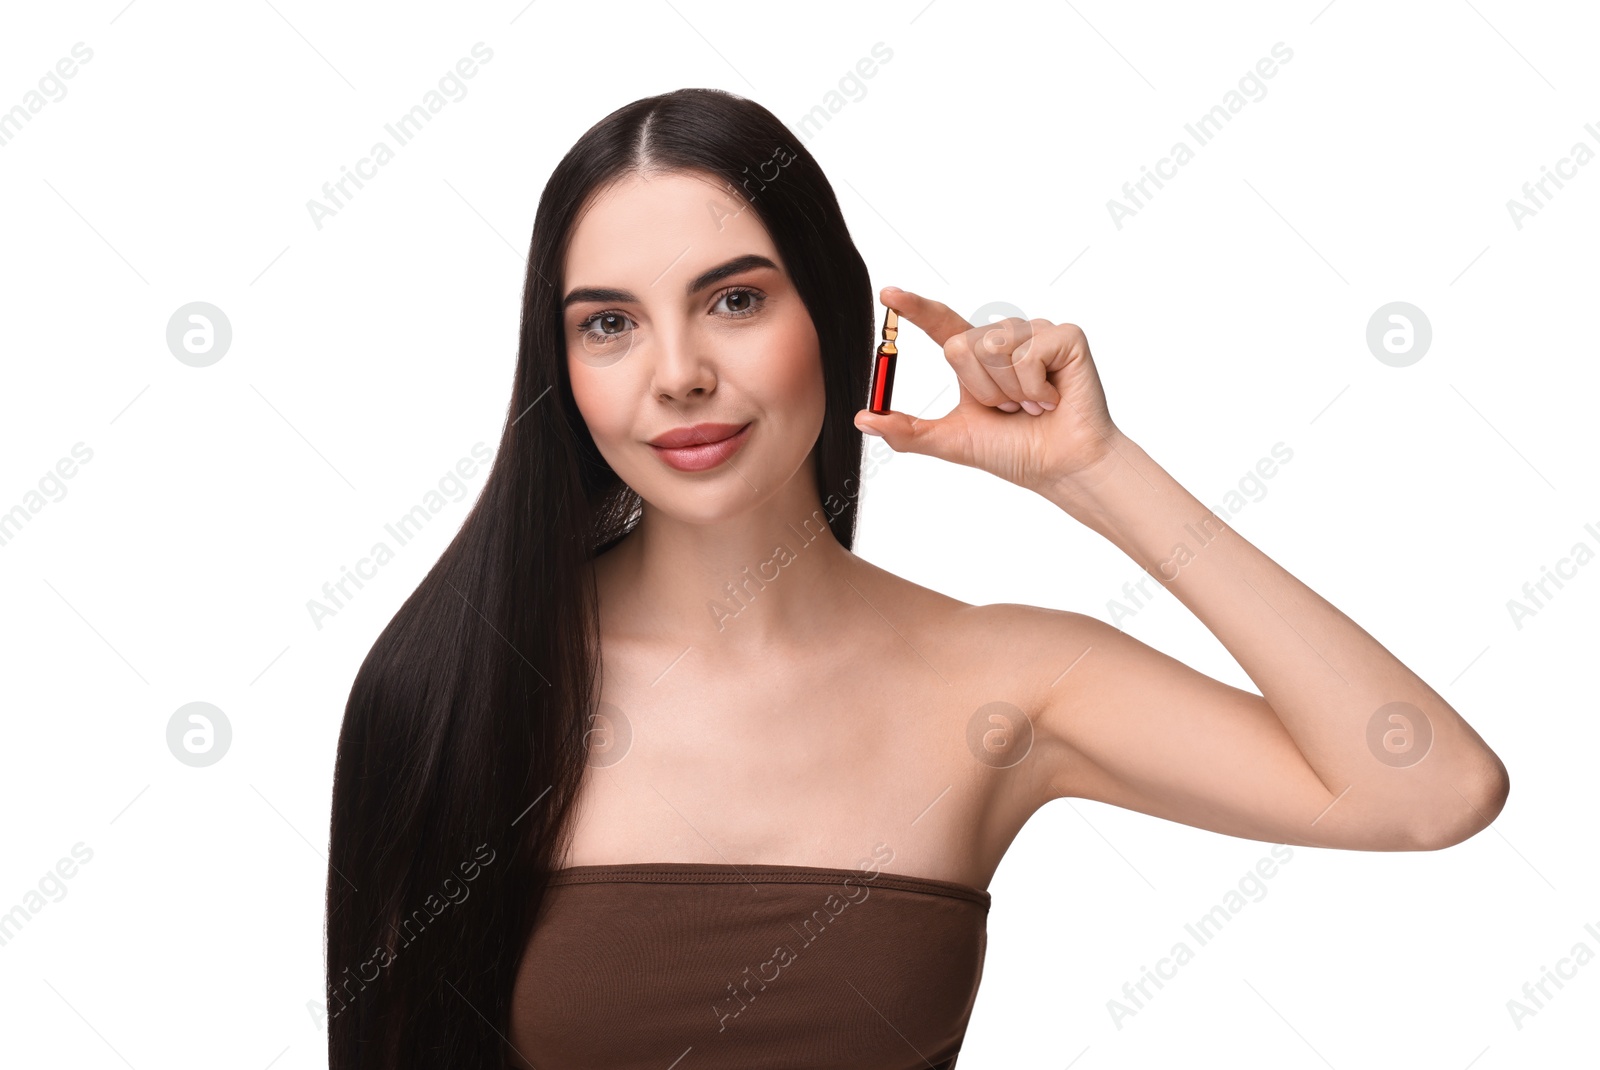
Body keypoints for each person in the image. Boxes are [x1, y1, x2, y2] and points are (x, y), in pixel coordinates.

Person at [324, 87, 1509, 1069]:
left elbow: (1429, 788)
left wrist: (1092, 470)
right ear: (563, 366)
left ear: (834, 316)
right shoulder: (459, 679)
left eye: (733, 300)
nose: (676, 372)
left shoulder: (1008, 681)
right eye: (608, 324)